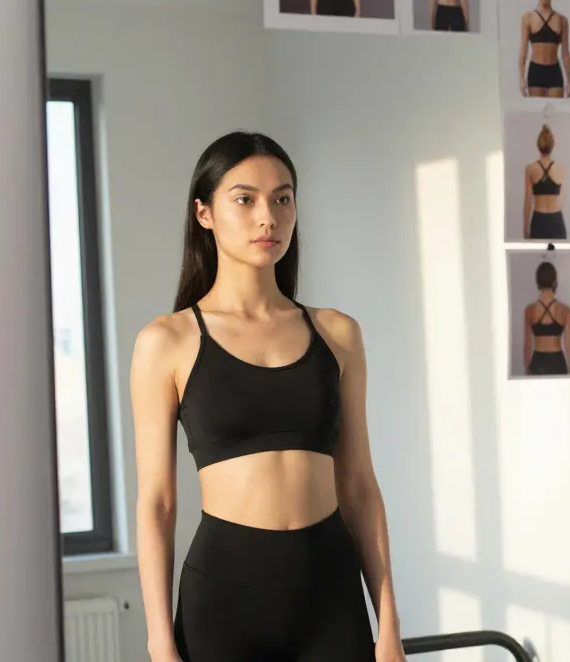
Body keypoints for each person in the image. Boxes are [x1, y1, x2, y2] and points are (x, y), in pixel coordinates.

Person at [132, 132, 405, 661]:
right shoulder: (166, 342)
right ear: (204, 213)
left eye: (283, 198)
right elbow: (158, 504)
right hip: (223, 600)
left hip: (330, 595)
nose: (268, 217)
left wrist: (389, 619)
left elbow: (359, 485)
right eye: (245, 199)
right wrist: (160, 642)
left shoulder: (337, 334)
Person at [518, 0, 570, 98]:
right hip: (536, 71)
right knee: (537, 114)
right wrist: (521, 78)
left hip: (554, 71)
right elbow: (523, 51)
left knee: (556, 113)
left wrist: (569, 81)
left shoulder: (562, 20)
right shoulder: (528, 18)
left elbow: (565, 53)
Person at [524, 261, 570, 375]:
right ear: (554, 281)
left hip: (538, 362)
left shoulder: (529, 310)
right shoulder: (565, 310)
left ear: (538, 281)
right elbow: (568, 343)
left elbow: (527, 344)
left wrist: (526, 370)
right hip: (557, 362)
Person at [523, 124, 566, 240]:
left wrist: (525, 227)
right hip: (556, 220)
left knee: (537, 257)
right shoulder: (560, 168)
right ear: (552, 145)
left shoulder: (530, 168)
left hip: (539, 220)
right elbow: (562, 200)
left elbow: (528, 201)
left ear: (538, 145)